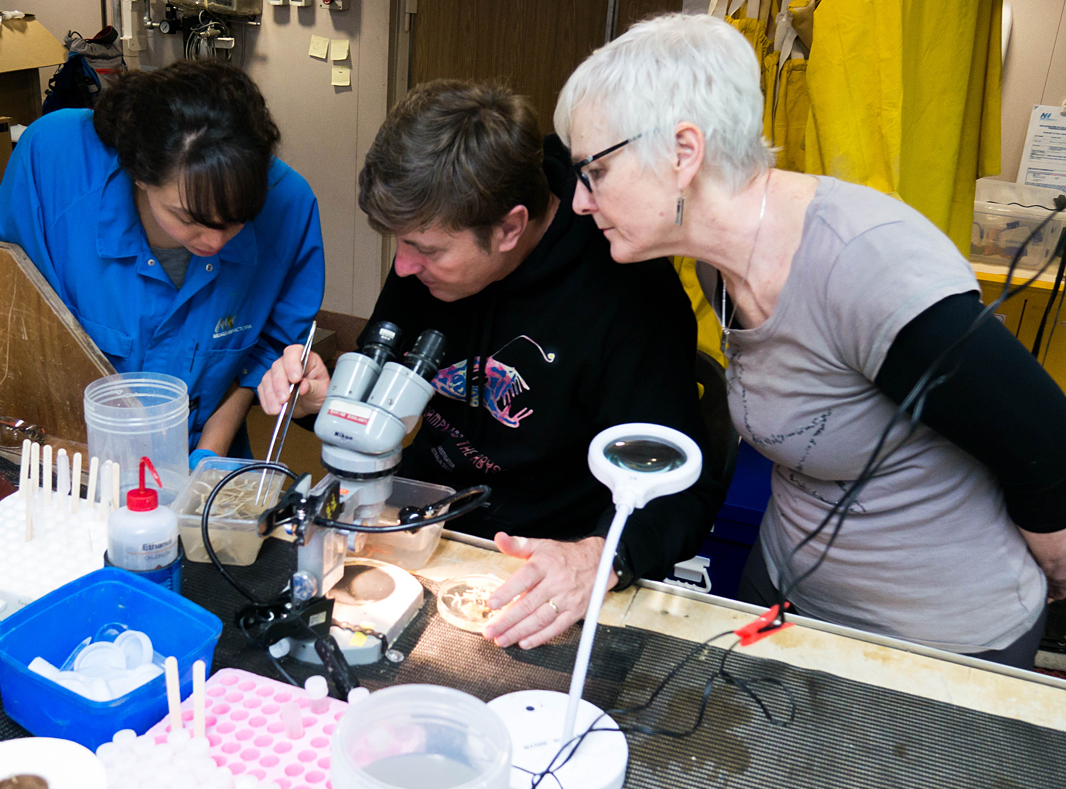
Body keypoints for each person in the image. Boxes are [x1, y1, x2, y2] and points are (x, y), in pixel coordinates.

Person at [551, 13, 1066, 669]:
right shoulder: (718, 264)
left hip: (938, 636)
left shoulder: (865, 264)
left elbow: (1049, 446)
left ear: (684, 154)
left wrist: (1054, 580)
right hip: (790, 594)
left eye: (592, 171)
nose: (578, 201)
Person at [260, 80, 725, 649]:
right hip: (416, 537)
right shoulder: (431, 247)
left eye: (425, 250)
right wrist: (320, 404)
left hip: (538, 571)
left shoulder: (626, 297)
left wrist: (601, 560)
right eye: (398, 244)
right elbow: (385, 404)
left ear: (509, 227)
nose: (402, 268)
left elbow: (683, 492)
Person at [0, 60, 325, 462]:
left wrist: (202, 466)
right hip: (64, 454)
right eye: (188, 218)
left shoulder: (288, 205)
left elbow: (262, 359)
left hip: (198, 451)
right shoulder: (55, 163)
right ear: (139, 173)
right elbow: (10, 311)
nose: (215, 241)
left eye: (238, 221)